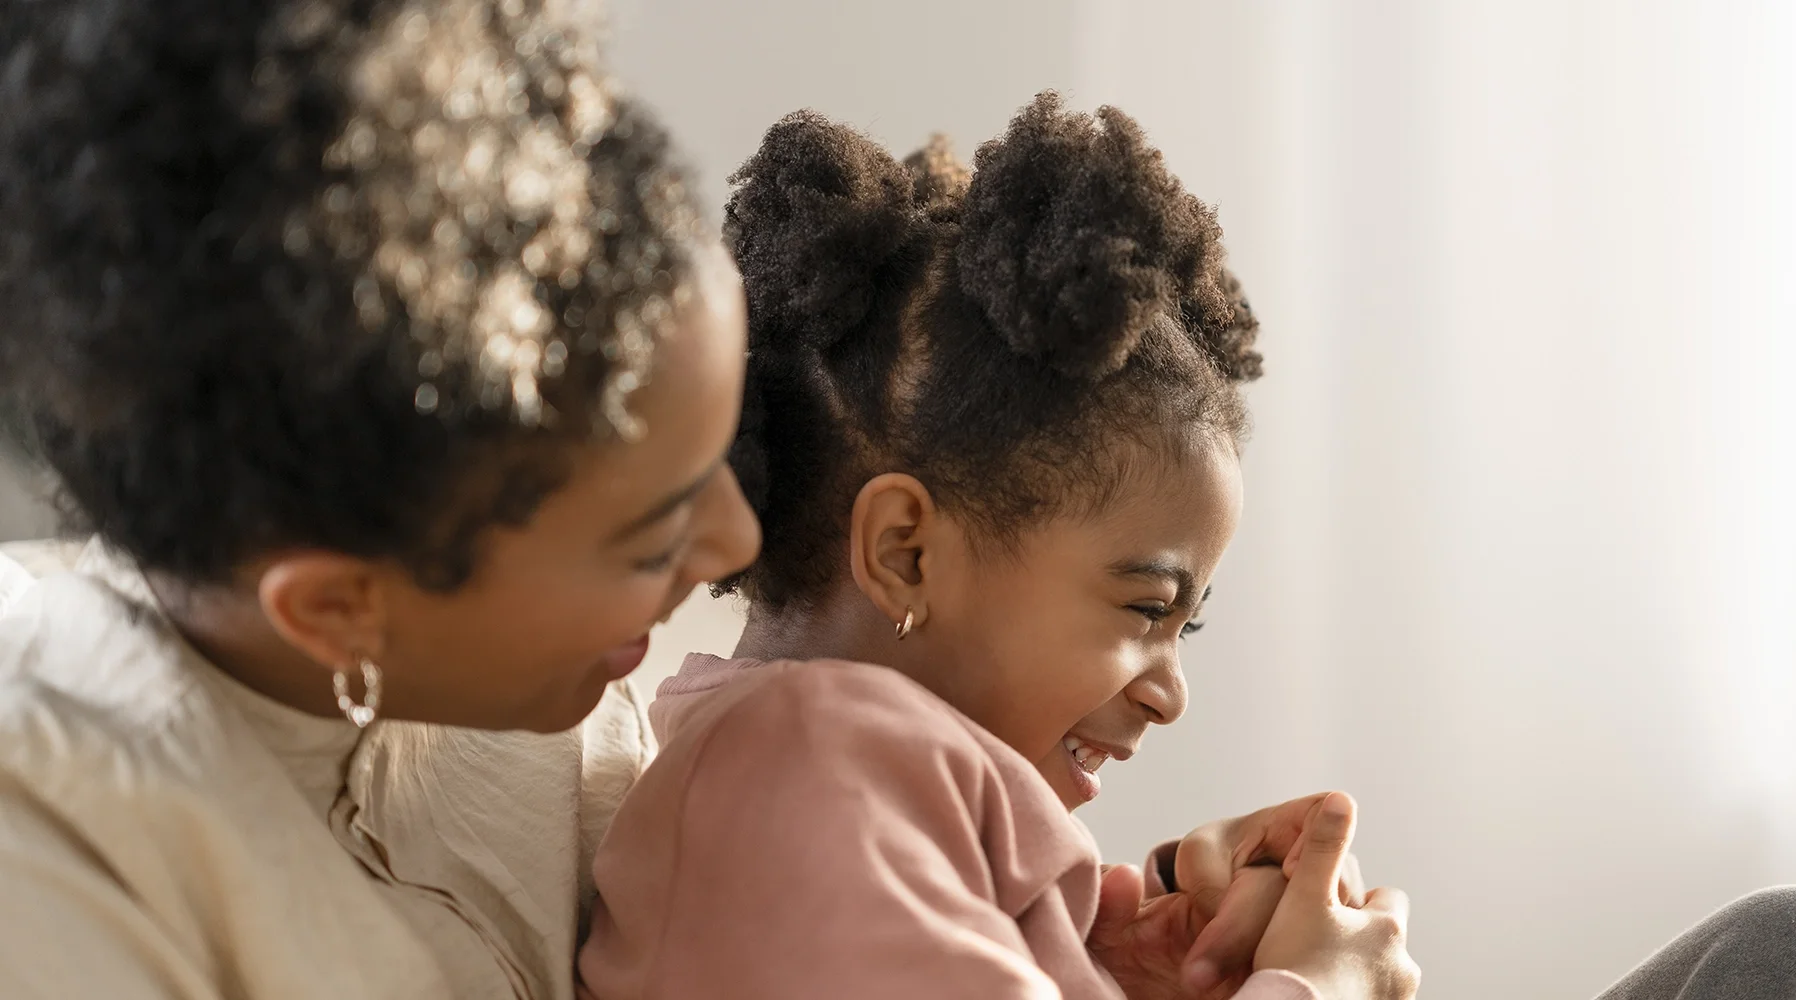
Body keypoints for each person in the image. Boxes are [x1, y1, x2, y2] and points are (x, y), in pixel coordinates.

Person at [0, 3, 1378, 997]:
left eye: (725, 456)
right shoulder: (63, 858)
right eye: (650, 527)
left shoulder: (572, 701)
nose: (736, 540)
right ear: (341, 605)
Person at [577, 95, 1415, 1000]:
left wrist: (1120, 967)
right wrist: (1316, 989)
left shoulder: (836, 790)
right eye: (1145, 608)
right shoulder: (799, 769)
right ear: (906, 554)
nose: (1170, 695)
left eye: (1185, 627)